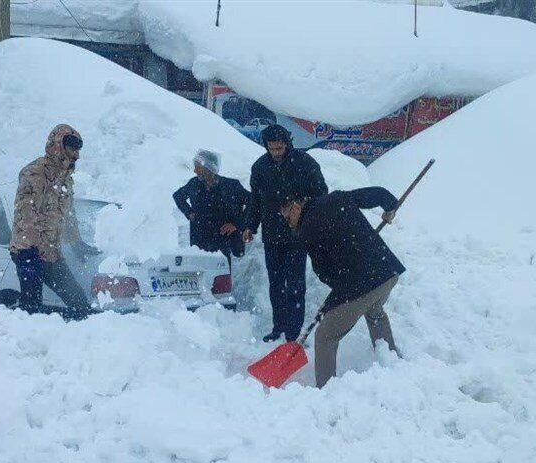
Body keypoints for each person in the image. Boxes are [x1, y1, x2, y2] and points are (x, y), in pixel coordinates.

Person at [279, 188, 405, 388]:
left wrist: (336, 298)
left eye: (287, 219)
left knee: (325, 336)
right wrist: (390, 208)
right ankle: (394, 363)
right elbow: (379, 194)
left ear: (296, 206)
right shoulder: (336, 198)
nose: (289, 223)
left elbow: (326, 273)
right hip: (387, 271)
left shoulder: (306, 232)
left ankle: (327, 390)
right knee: (374, 311)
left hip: (364, 283)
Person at [243, 124, 328, 342]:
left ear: (287, 144)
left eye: (280, 148)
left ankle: (294, 331)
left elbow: (321, 193)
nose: (276, 153)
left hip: (297, 234)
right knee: (276, 284)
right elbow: (255, 200)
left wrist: (301, 204)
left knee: (296, 284)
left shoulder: (305, 163)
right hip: (272, 235)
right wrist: (250, 226)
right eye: (272, 149)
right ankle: (278, 327)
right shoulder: (260, 167)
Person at [9, 124, 99, 318]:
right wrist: (30, 251)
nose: (76, 154)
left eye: (78, 150)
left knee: (79, 305)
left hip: (51, 253)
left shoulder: (65, 178)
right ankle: (24, 342)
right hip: (28, 252)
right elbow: (26, 213)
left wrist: (76, 242)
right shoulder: (36, 173)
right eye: (72, 148)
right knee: (31, 308)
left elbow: (68, 214)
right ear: (59, 145)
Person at [173, 150, 250, 262]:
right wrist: (188, 212)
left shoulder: (231, 186)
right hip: (200, 241)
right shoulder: (194, 184)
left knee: (225, 275)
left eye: (198, 167)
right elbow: (178, 196)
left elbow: (253, 203)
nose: (195, 171)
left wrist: (237, 224)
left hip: (227, 241)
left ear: (209, 168)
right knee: (202, 272)